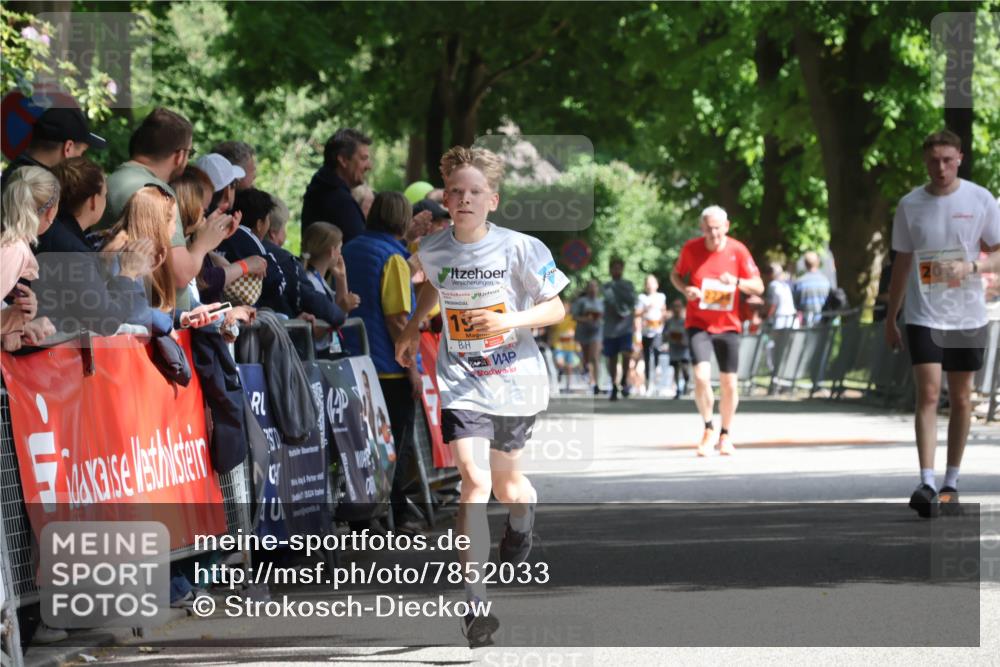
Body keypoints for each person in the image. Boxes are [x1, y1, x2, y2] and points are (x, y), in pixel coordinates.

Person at [395, 146, 568, 648]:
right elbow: (437, 288)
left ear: (492, 200)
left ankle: (522, 518)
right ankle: (474, 605)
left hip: (514, 380)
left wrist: (508, 320)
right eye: (457, 192)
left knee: (509, 486)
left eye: (476, 192)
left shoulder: (521, 248)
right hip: (462, 379)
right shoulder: (433, 248)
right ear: (446, 198)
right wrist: (412, 327)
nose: (466, 199)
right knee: (474, 481)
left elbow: (554, 308)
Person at [884, 130, 1000, 518]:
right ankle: (926, 481)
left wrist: (973, 265)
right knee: (929, 393)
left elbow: (998, 254)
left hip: (967, 314)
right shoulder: (909, 205)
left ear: (960, 159)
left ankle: (951, 479)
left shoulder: (980, 199)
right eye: (934, 161)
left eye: (948, 160)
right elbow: (901, 262)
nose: (941, 168)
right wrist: (891, 316)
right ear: (924, 161)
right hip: (923, 314)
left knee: (963, 397)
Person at [342, 192, 422, 531]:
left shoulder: (350, 248)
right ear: (403, 220)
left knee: (360, 447)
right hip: (387, 368)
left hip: (352, 361)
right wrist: (412, 369)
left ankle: (364, 518)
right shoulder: (394, 259)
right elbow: (397, 319)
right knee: (395, 446)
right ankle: (396, 514)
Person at [670, 205, 763, 456]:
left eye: (718, 228)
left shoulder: (738, 250)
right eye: (709, 228)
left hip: (728, 324)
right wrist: (686, 290)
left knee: (729, 383)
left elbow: (758, 286)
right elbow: (676, 275)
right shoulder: (691, 249)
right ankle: (709, 427)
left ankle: (726, 434)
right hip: (698, 322)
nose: (713, 233)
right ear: (702, 228)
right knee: (701, 376)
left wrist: (736, 282)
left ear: (726, 227)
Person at [36, 157, 161, 336]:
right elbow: (105, 321)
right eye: (105, 195)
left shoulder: (54, 232)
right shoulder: (71, 249)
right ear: (94, 201)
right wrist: (128, 273)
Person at [97, 108, 208, 310]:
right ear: (179, 155)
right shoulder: (157, 192)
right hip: (154, 325)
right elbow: (180, 274)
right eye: (189, 153)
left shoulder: (109, 182)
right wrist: (203, 245)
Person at [1, 167, 59, 352]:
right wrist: (13, 322)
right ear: (51, 212)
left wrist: (21, 323)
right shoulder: (14, 250)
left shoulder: (10, 244)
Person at [0, 106, 106, 191]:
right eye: (82, 152)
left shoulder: (11, 177)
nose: (81, 158)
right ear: (68, 148)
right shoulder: (42, 194)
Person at [301, 128, 372, 242]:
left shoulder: (320, 189)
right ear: (343, 160)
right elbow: (359, 250)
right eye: (363, 159)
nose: (369, 166)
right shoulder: (338, 200)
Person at [301, 221, 360, 355]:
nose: (341, 253)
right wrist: (342, 309)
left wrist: (341, 278)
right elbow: (315, 332)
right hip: (315, 353)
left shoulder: (319, 280)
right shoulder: (310, 283)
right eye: (340, 248)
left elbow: (339, 315)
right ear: (332, 251)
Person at [602, 257, 636, 400]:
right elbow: (606, 302)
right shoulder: (606, 286)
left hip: (625, 327)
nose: (616, 270)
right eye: (614, 268)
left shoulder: (628, 285)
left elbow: (632, 301)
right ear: (610, 270)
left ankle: (624, 380)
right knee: (612, 358)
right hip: (610, 328)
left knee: (626, 353)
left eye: (619, 268)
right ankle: (614, 384)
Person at [571, 279, 603, 394]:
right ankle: (590, 379)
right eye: (590, 286)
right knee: (587, 359)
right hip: (583, 332)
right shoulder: (581, 302)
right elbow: (574, 317)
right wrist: (586, 319)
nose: (593, 289)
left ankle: (596, 383)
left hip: (596, 332)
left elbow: (604, 316)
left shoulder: (601, 302)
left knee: (594, 357)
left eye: (595, 287)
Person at [636, 274, 667, 394]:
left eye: (652, 282)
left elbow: (664, 311)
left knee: (657, 352)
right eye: (648, 283)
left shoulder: (661, 297)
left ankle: (657, 381)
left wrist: (662, 324)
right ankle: (648, 383)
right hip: (646, 330)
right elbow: (637, 314)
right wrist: (646, 308)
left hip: (657, 330)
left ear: (656, 285)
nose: (650, 285)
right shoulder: (642, 298)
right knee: (647, 357)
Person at [793, 251, 832, 327]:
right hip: (824, 324)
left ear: (805, 264)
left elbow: (795, 304)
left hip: (806, 324)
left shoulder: (799, 282)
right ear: (818, 262)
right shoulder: (826, 281)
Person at [664, 298, 691, 399]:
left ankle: (686, 382)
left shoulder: (686, 321)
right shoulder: (669, 321)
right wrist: (669, 336)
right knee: (675, 367)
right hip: (674, 346)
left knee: (684, 367)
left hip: (684, 347)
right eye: (674, 306)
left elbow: (690, 334)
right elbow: (664, 334)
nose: (676, 309)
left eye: (678, 306)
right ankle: (678, 389)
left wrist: (685, 341)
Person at [763, 262, 797, 330]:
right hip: (792, 319)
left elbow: (772, 305)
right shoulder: (786, 285)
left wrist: (766, 318)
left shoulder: (773, 285)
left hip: (780, 321)